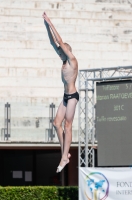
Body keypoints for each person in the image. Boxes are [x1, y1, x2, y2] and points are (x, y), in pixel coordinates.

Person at [42, 12, 79, 173]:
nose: (60, 53)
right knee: (56, 123)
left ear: (67, 51)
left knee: (67, 125)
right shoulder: (64, 60)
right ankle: (64, 154)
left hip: (72, 97)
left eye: (62, 51)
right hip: (65, 97)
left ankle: (65, 157)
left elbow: (59, 41)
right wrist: (45, 25)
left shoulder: (72, 59)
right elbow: (53, 42)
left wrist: (51, 22)